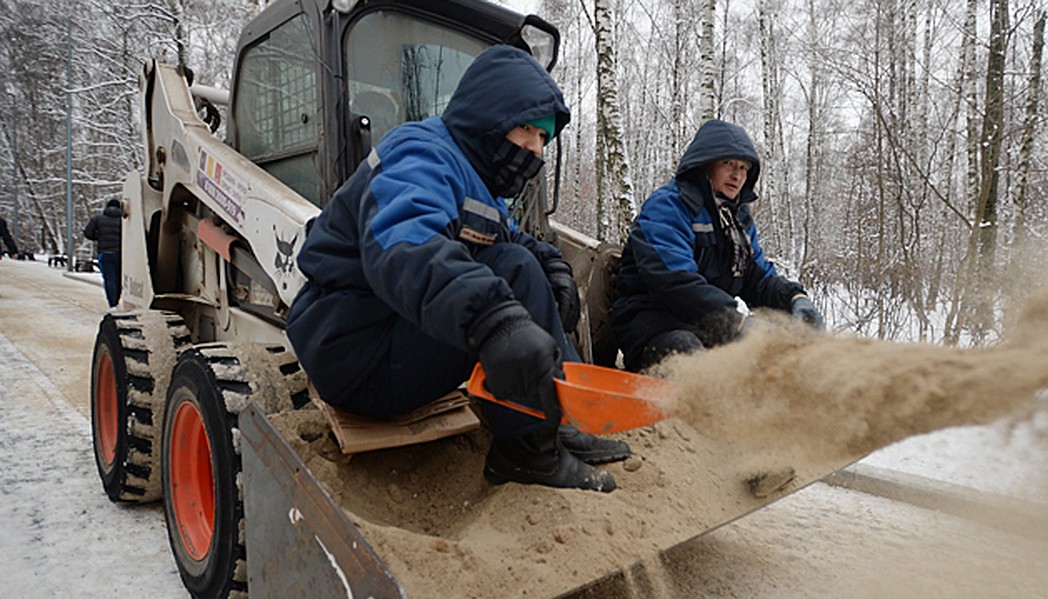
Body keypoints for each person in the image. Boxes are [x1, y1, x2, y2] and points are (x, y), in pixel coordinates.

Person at [286, 45, 628, 493]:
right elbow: (406, 244)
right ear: (491, 117)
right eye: (527, 129)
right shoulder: (422, 155)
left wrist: (554, 267)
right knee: (513, 272)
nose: (535, 150)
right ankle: (527, 452)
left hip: (383, 334)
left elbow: (503, 239)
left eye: (543, 139)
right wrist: (494, 320)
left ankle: (554, 421)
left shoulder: (474, 179)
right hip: (355, 351)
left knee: (523, 264)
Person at [611, 119, 825, 372]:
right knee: (691, 358)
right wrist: (734, 322)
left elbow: (757, 279)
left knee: (778, 358)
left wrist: (794, 298)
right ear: (705, 163)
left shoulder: (738, 220)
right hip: (654, 325)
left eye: (744, 168)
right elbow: (673, 282)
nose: (737, 175)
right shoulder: (668, 206)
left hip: (709, 327)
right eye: (728, 164)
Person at [84, 199, 123, 307]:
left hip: (105, 254)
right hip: (121, 255)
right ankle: (119, 300)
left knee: (109, 279)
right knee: (119, 279)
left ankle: (112, 303)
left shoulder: (98, 219)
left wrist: (99, 237)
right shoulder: (123, 220)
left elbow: (88, 233)